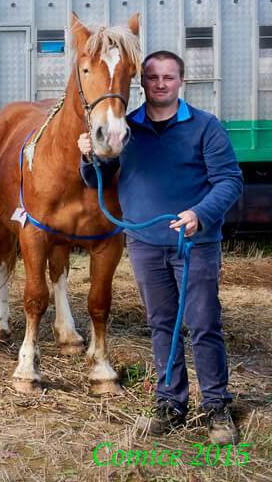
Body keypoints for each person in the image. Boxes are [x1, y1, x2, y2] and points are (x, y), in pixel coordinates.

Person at [78, 50, 243, 444]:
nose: (160, 84)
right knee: (161, 325)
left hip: (195, 244)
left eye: (168, 77)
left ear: (180, 82)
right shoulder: (128, 128)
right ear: (142, 83)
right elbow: (97, 179)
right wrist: (88, 157)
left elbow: (230, 181)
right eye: (153, 77)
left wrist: (200, 213)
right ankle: (170, 402)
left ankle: (217, 406)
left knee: (203, 324)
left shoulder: (205, 127)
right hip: (145, 244)